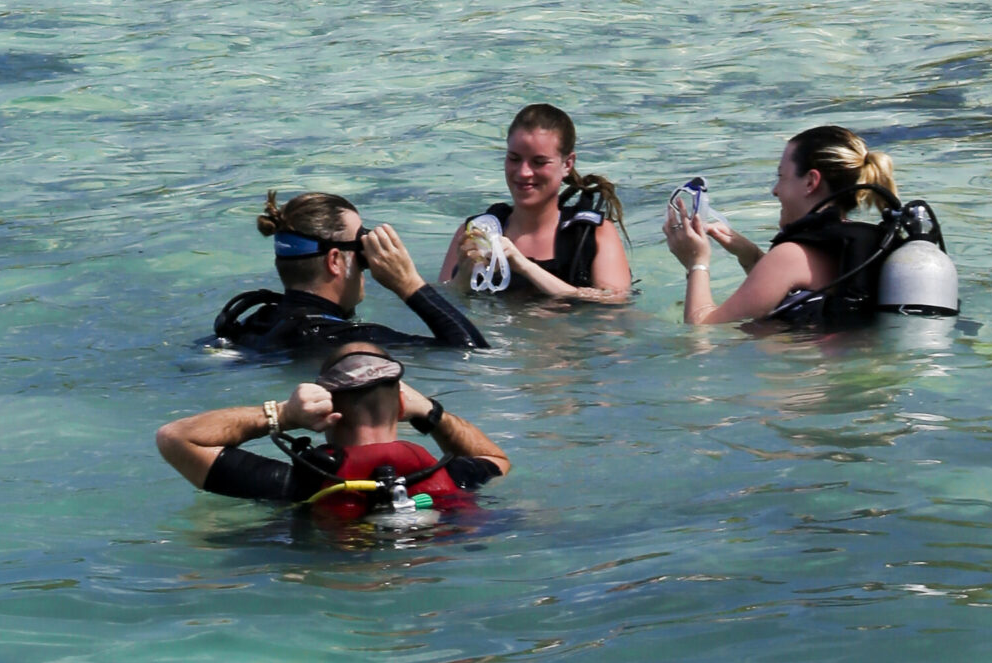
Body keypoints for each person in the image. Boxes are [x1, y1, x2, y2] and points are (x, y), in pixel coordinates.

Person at [155, 343, 511, 522]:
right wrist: (432, 413)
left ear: (326, 410)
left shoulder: (299, 484)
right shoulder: (452, 475)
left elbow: (175, 437)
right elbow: (496, 459)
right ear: (402, 407)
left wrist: (283, 414)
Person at [662, 124, 901, 327]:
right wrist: (752, 256)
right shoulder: (858, 244)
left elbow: (703, 330)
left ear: (810, 182)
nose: (775, 191)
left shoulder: (790, 257)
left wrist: (696, 263)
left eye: (781, 177)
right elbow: (797, 294)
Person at [214, 191, 489, 353]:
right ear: (335, 261)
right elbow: (471, 351)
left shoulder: (251, 322)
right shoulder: (352, 341)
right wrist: (409, 284)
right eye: (361, 247)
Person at [437, 104, 634, 304]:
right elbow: (440, 304)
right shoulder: (475, 231)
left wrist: (524, 266)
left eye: (539, 162)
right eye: (514, 158)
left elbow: (614, 303)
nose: (524, 172)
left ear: (567, 164)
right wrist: (463, 277)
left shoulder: (593, 234)